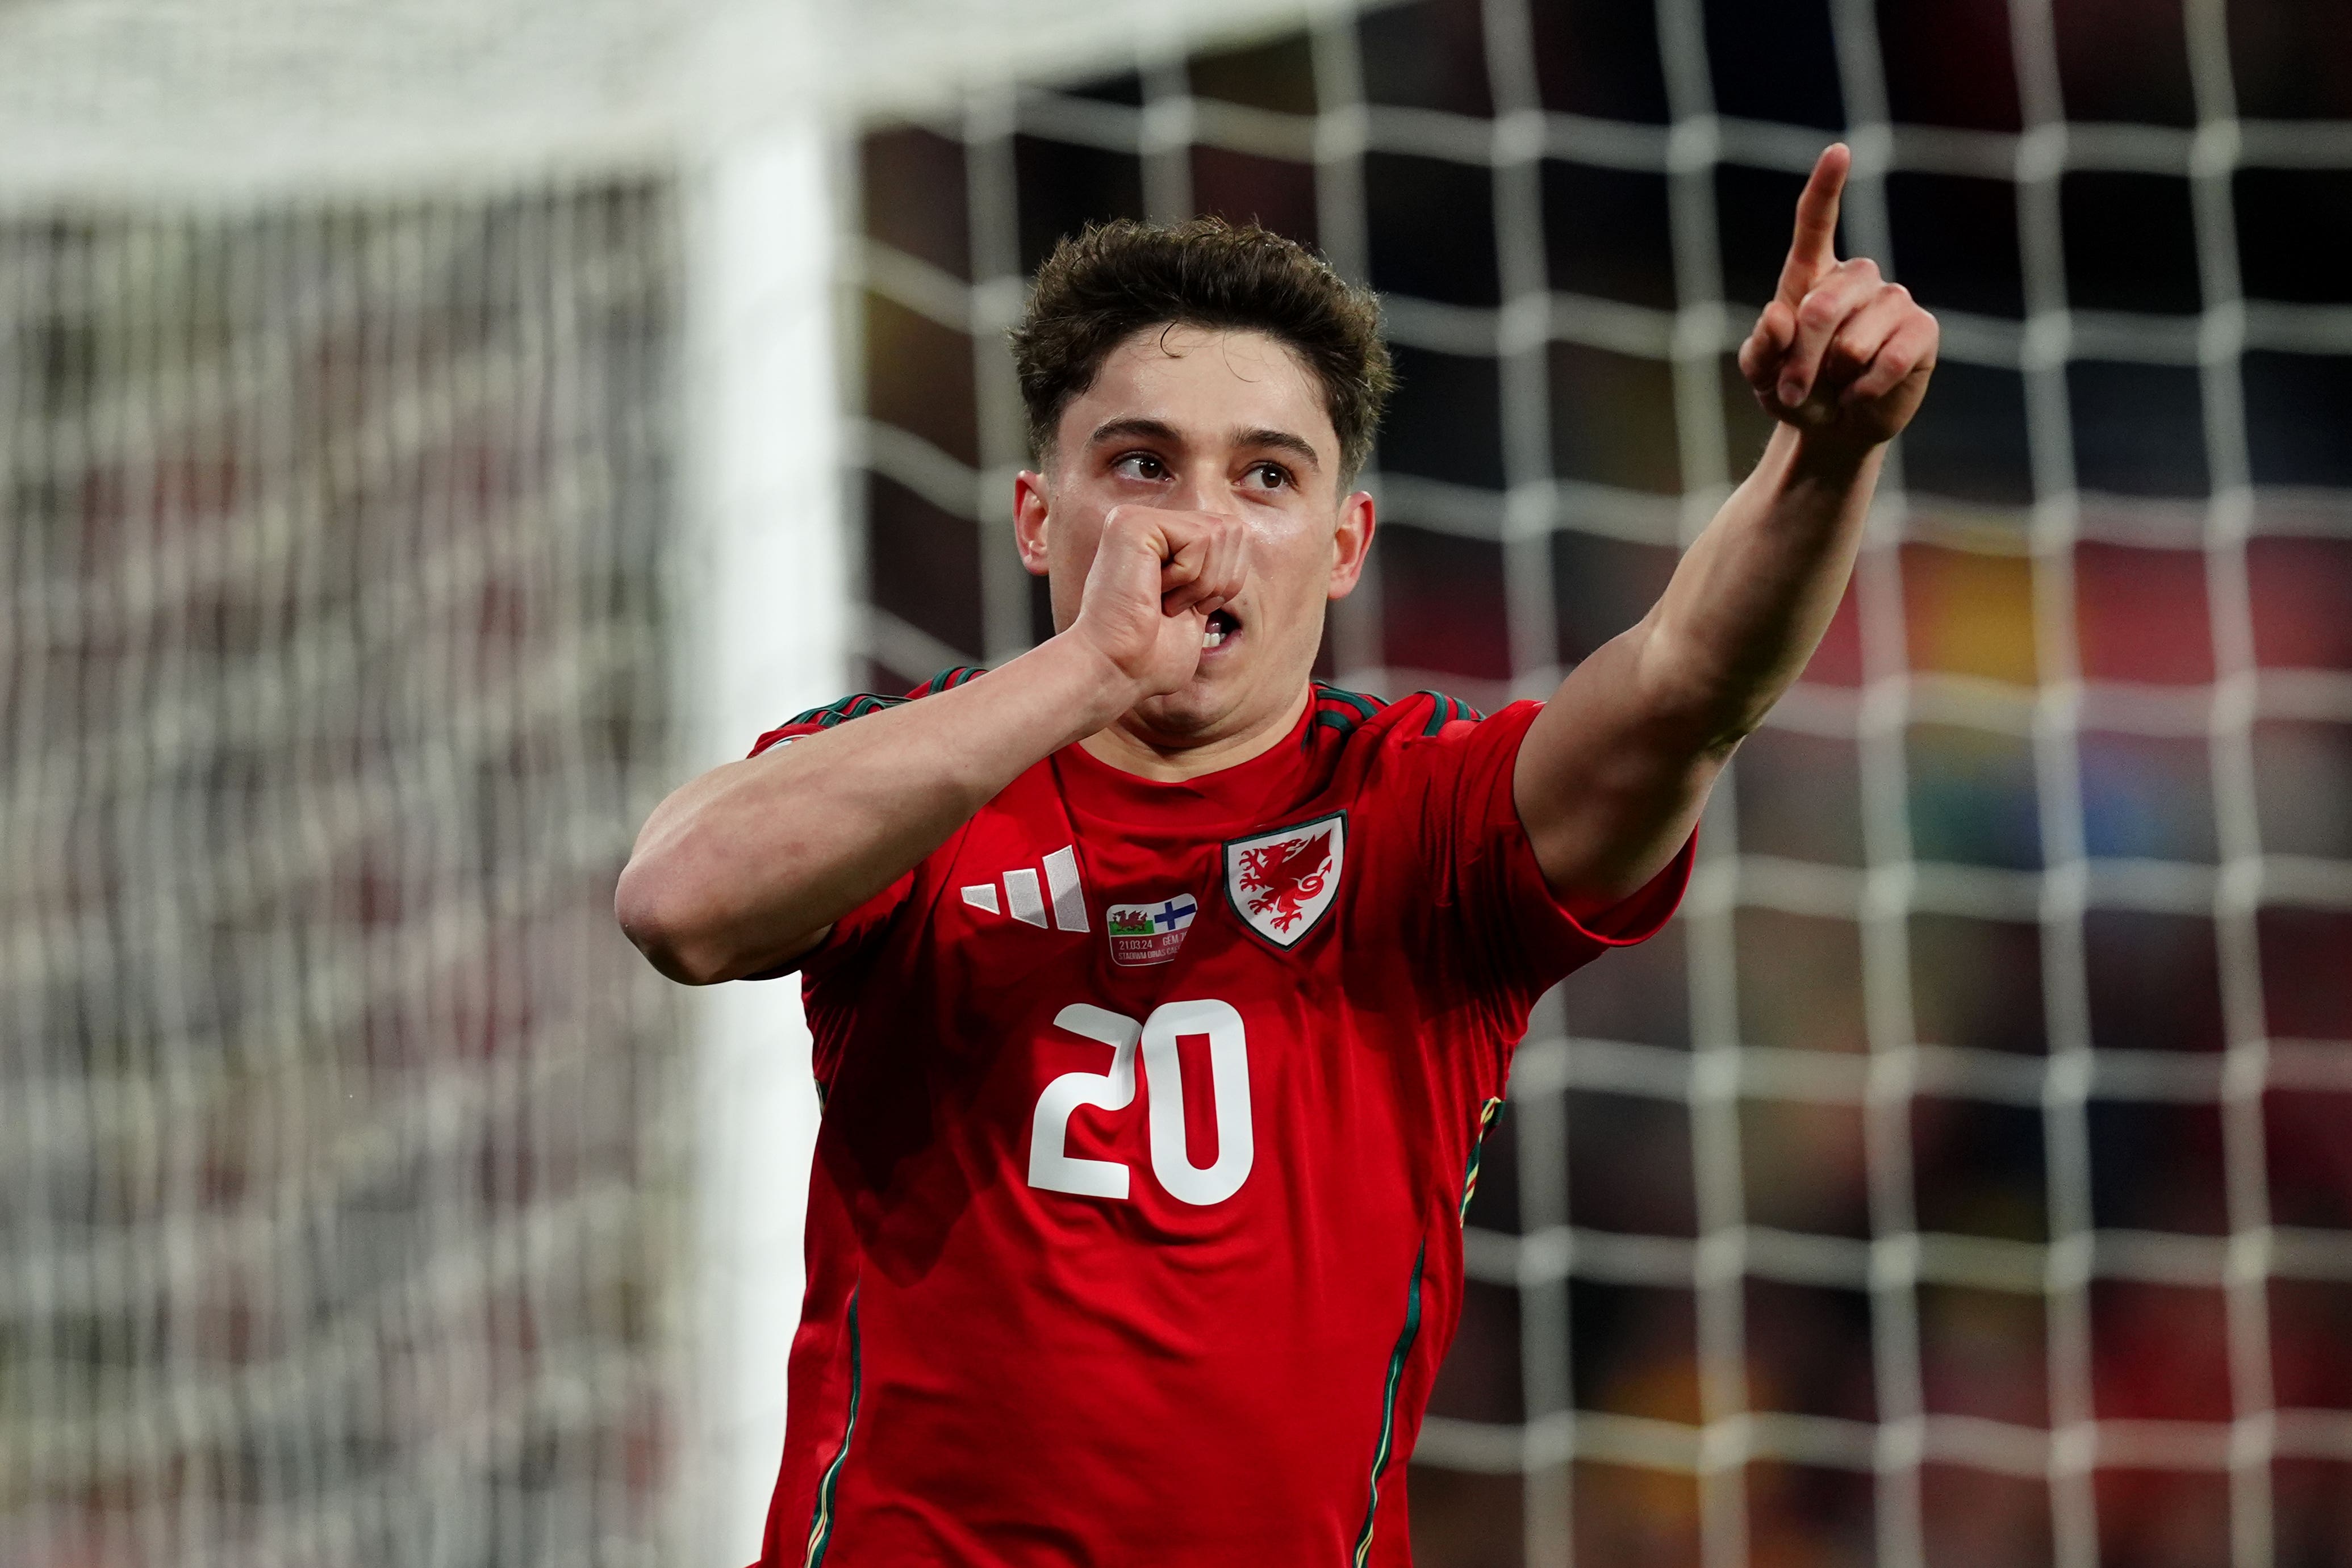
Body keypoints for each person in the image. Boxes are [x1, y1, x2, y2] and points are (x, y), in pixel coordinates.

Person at [617, 143, 1936, 1566]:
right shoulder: (907, 779)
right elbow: (680, 902)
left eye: (1265, 477)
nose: (1197, 525)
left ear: (1345, 540)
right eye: (1140, 465)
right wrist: (1089, 672)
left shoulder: (1422, 819)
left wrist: (1825, 456)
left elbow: (1686, 688)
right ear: (1036, 517)